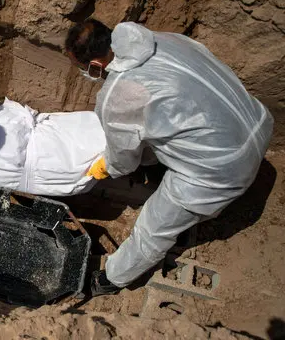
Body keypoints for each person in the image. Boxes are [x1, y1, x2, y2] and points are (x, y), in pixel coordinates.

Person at [65, 18, 273, 297]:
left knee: (153, 228)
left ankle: (111, 279)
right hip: (255, 122)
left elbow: (124, 161)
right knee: (150, 140)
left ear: (95, 65)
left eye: (83, 68)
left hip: (222, 169)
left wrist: (107, 167)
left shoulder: (119, 94)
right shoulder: (161, 39)